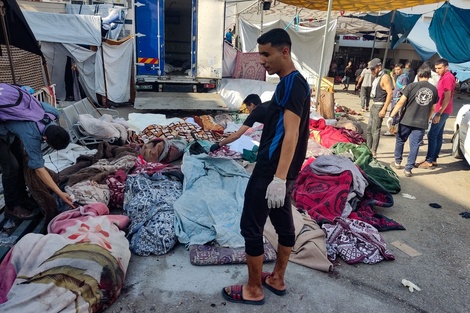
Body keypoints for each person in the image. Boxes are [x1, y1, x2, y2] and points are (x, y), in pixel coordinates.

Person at [222, 28, 310, 305]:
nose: (261, 60)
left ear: (285, 52)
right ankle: (277, 279)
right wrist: (238, 132)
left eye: (266, 54)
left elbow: (292, 133)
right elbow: (268, 111)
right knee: (284, 223)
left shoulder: (293, 84)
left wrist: (279, 179)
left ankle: (253, 289)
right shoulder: (289, 84)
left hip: (272, 170)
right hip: (284, 171)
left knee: (251, 226)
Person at [0, 83, 75, 220]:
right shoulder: (32, 134)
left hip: (9, 123)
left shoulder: (53, 113)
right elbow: (38, 168)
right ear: (45, 138)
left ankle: (22, 198)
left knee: (21, 159)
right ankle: (12, 207)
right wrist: (60, 193)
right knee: (11, 167)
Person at [389, 65, 438, 177]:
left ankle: (397, 162)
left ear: (418, 74)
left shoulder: (411, 86)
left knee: (400, 140)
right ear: (429, 76)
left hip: (406, 119)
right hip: (421, 122)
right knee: (415, 145)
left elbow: (400, 102)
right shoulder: (434, 89)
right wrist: (428, 118)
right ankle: (408, 169)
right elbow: (433, 108)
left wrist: (392, 115)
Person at [417, 58, 456, 168]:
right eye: (436, 69)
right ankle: (433, 159)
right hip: (442, 110)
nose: (437, 70)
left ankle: (429, 160)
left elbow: (447, 97)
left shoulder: (448, 78)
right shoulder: (444, 77)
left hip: (442, 111)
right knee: (438, 136)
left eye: (440, 68)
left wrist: (439, 113)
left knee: (432, 135)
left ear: (446, 67)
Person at [366, 58, 393, 157]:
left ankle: (373, 151)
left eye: (373, 69)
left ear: (379, 67)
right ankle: (368, 148)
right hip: (374, 105)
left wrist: (384, 109)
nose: (372, 71)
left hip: (380, 105)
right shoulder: (376, 77)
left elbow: (390, 93)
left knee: (375, 130)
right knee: (369, 129)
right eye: (370, 69)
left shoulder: (384, 77)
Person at [385, 63, 408, 135]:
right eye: (395, 70)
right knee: (394, 114)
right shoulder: (399, 77)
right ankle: (393, 130)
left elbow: (404, 88)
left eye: (398, 69)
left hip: (398, 99)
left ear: (402, 69)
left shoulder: (404, 78)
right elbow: (396, 86)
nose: (397, 71)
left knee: (395, 115)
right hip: (394, 98)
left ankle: (393, 130)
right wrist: (392, 77)